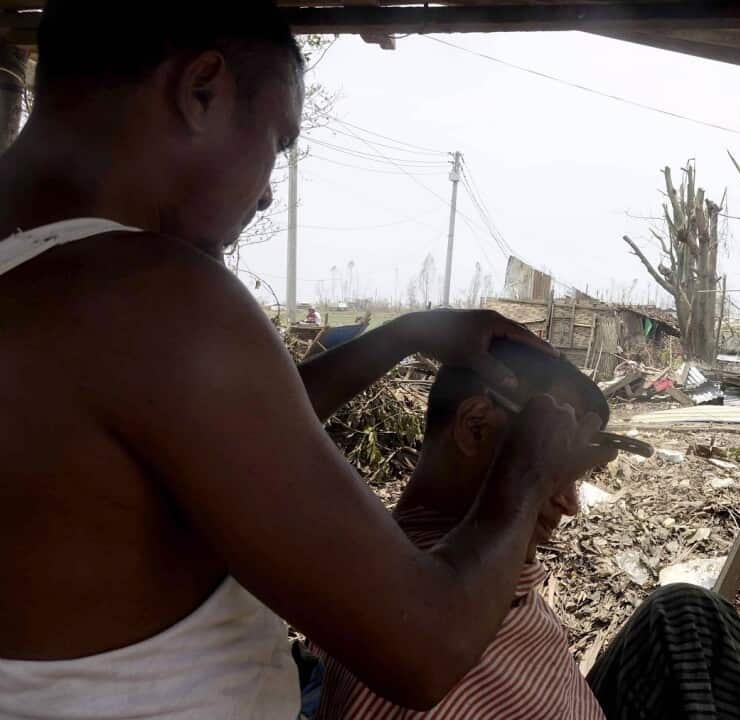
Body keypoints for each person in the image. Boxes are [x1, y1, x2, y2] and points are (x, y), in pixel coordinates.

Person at [0, 2, 610, 717]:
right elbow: (424, 647)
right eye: (278, 141)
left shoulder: (43, 285)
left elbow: (215, 428)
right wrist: (530, 472)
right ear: (201, 90)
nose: (266, 194)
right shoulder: (148, 296)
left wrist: (405, 333)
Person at [312, 341, 740, 720]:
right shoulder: (415, 649)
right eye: (551, 456)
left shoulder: (488, 558)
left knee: (686, 614)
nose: (571, 503)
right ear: (476, 426)